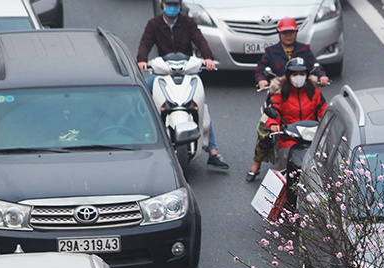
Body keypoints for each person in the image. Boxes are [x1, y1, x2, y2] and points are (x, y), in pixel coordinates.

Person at [136, 0, 229, 169]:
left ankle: (213, 151)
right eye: (169, 4)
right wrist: (142, 60)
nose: (172, 8)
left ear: (180, 6)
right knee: (142, 95)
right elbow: (145, 43)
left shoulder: (188, 22)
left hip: (187, 70)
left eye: (176, 5)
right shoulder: (154, 24)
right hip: (162, 71)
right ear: (162, 5)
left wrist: (208, 58)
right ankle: (140, 138)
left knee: (201, 105)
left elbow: (199, 40)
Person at [248, 17, 330, 182]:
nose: (288, 35)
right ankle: (256, 164)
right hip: (285, 129)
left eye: (291, 32)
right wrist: (262, 80)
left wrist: (322, 76)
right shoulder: (272, 55)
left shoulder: (313, 91)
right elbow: (261, 68)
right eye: (285, 32)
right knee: (264, 131)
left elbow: (325, 110)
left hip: (308, 135)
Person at [265, 57, 327, 171]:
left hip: (311, 136)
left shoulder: (315, 92)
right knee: (285, 157)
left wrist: (330, 123)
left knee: (325, 158)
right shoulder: (280, 94)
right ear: (289, 76)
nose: (299, 77)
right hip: (288, 137)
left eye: (302, 74)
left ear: (307, 75)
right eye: (295, 74)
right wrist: (273, 123)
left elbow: (324, 111)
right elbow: (275, 110)